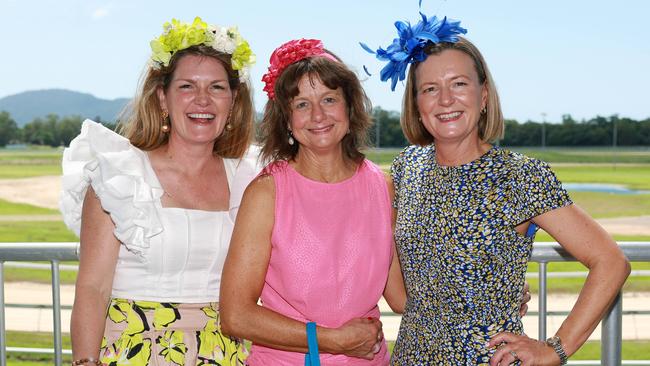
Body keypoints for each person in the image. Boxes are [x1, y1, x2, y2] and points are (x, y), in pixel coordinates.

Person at [362, 12, 631, 366]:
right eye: (430, 89)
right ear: (416, 103)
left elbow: (611, 262)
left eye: (459, 84)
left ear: (484, 95)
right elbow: (400, 297)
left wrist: (555, 349)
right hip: (412, 357)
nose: (445, 100)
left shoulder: (519, 176)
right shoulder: (406, 168)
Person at [60, 17, 257, 366]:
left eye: (216, 87)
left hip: (227, 353)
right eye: (186, 87)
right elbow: (93, 288)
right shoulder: (120, 175)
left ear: (233, 100)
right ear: (162, 98)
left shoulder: (250, 178)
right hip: (135, 350)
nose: (202, 100)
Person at [219, 38, 407, 365]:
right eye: (302, 104)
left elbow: (402, 297)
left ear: (350, 108)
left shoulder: (382, 186)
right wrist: (332, 340)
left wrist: (487, 293)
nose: (318, 115)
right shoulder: (266, 192)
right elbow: (236, 316)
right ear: (287, 121)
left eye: (329, 99)